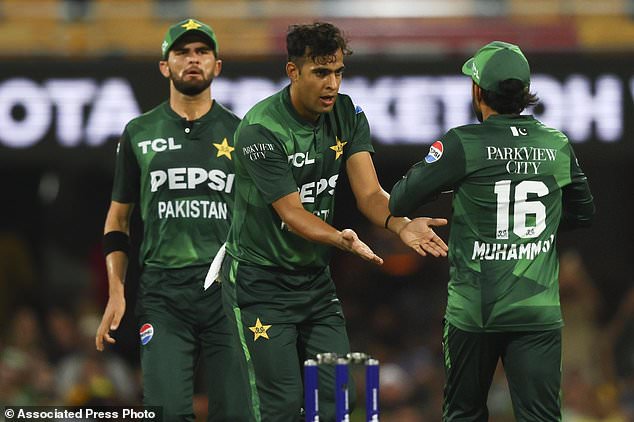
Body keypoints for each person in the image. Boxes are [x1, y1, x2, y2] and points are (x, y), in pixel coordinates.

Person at [219, 22, 448, 421]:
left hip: (315, 285)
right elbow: (292, 215)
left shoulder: (346, 113)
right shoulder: (261, 130)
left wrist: (400, 223)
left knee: (338, 399)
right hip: (260, 285)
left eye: (338, 72)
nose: (332, 84)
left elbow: (371, 194)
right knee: (281, 406)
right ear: (293, 72)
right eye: (321, 72)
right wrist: (341, 241)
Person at [388, 41, 595, 421]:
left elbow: (398, 201)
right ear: (524, 93)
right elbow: (584, 213)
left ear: (478, 92)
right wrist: (532, 233)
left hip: (474, 311)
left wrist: (453, 185)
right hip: (536, 311)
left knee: (464, 414)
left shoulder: (462, 144)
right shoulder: (555, 144)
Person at [94, 18, 249, 421]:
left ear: (218, 65)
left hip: (227, 291)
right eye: (182, 52)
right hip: (163, 293)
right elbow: (118, 218)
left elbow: (268, 216)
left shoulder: (245, 133)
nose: (192, 60)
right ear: (165, 66)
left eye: (202, 52)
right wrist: (116, 290)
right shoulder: (139, 132)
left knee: (235, 412)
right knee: (166, 412)